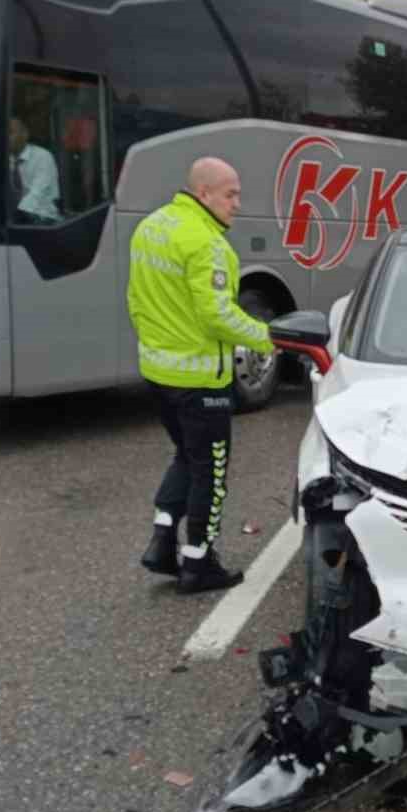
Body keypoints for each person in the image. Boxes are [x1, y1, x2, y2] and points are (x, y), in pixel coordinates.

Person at [126, 157, 275, 594]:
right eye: (230, 194)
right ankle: (199, 563)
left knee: (186, 458)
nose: (237, 203)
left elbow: (136, 300)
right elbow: (218, 317)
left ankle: (161, 542)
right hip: (200, 382)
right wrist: (268, 337)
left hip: (158, 373)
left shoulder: (150, 227)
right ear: (204, 193)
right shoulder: (209, 245)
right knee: (210, 471)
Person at [8, 118, 60, 222]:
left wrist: (13, 215)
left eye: (10, 132)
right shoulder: (3, 160)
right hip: (13, 221)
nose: (5, 138)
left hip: (43, 219)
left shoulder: (42, 156)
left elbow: (36, 194)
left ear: (25, 134)